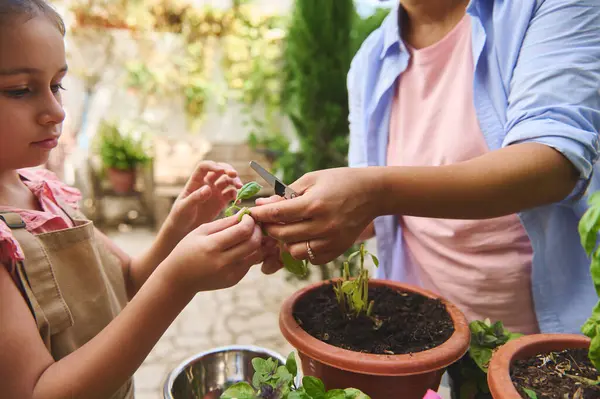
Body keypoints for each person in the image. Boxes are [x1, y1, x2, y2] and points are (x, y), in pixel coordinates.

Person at [253, 0, 600, 338]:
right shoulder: (371, 61)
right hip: (421, 336)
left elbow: (555, 162)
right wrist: (308, 220)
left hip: (544, 347)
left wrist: (375, 192)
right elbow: (371, 208)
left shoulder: (546, 7)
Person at [0, 2, 279, 398]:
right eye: (20, 90)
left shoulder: (46, 192)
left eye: (57, 84)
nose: (55, 110)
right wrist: (179, 282)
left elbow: (127, 283)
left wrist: (181, 227)